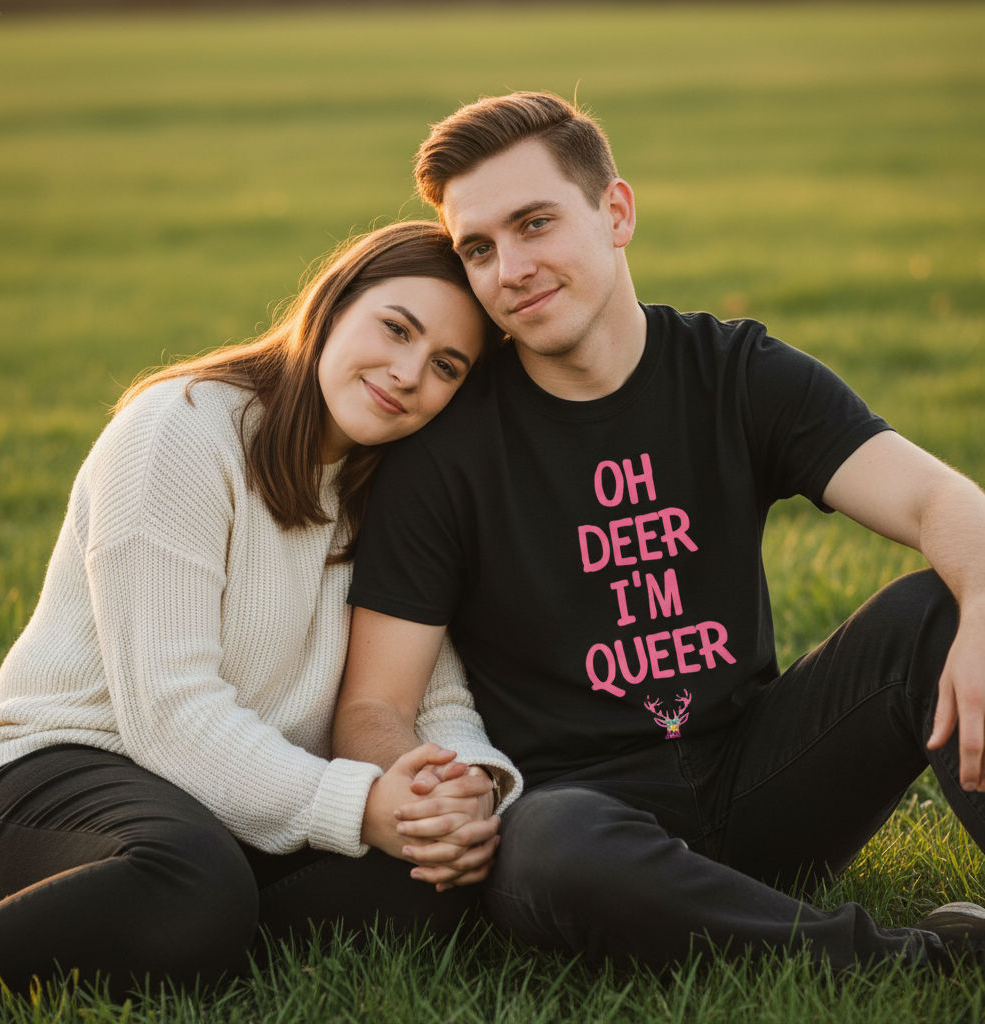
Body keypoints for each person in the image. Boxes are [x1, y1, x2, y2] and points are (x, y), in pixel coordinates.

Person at [332, 93, 985, 971]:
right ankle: (920, 962)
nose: (509, 269)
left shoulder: (733, 373)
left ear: (616, 212)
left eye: (535, 224)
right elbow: (373, 707)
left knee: (942, 610)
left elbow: (939, 504)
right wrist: (418, 784)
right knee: (552, 842)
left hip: (765, 779)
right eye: (478, 249)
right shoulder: (446, 453)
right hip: (586, 825)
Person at [0, 220, 523, 996]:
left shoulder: (400, 486)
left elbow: (435, 697)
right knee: (190, 877)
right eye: (395, 328)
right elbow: (168, 712)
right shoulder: (182, 430)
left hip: (234, 808)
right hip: (70, 773)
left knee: (436, 880)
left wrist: (459, 794)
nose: (406, 373)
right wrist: (361, 806)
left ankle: (184, 932)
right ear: (333, 304)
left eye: (446, 366)